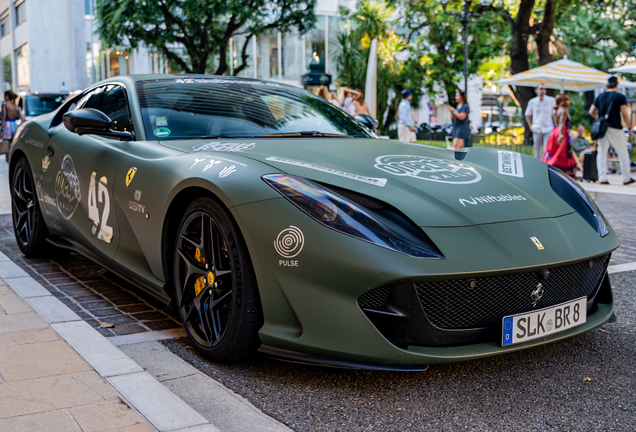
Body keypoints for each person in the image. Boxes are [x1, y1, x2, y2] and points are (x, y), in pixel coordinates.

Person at [589, 76, 634, 185]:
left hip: (602, 129)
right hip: (615, 128)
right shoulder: (620, 96)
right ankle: (626, 178)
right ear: (616, 84)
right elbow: (625, 114)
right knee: (623, 153)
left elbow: (591, 111)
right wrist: (629, 128)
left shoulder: (600, 96)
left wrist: (600, 120)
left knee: (602, 153)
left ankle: (602, 178)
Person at [541, 94, 577, 177]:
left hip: (554, 132)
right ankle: (563, 174)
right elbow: (561, 123)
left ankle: (548, 170)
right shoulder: (564, 111)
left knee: (552, 153)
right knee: (561, 154)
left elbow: (556, 123)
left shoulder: (556, 111)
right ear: (562, 102)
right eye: (567, 100)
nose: (569, 102)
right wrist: (561, 135)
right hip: (561, 133)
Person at [525, 83, 556, 159]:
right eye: (541, 89)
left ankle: (546, 163)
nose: (542, 91)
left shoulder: (551, 100)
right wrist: (530, 125)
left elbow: (555, 114)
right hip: (537, 128)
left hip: (548, 128)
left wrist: (556, 126)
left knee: (547, 148)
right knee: (537, 148)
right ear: (537, 90)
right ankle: (537, 163)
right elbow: (527, 114)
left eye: (544, 89)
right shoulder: (532, 102)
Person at [1, 90, 25, 162]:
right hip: (14, 126)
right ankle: (13, 160)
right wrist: (19, 126)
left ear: (7, 96)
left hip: (7, 127)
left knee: (7, 146)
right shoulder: (16, 107)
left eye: (5, 95)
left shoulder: (4, 105)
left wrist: (1, 129)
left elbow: (4, 118)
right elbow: (23, 118)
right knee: (12, 145)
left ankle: (9, 161)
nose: (4, 97)